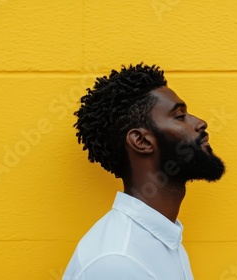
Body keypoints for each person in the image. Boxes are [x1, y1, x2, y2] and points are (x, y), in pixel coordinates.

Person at [63, 63, 226, 280]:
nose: (200, 123)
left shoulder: (163, 240)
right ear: (141, 141)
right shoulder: (118, 262)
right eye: (180, 116)